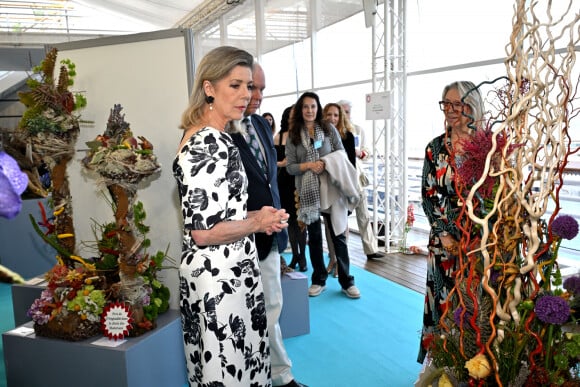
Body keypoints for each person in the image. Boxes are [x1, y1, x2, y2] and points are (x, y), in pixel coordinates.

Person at [173, 46, 289, 386]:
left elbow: (218, 211)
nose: (245, 95)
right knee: (228, 371)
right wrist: (256, 223)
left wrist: (255, 213)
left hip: (232, 272)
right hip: (219, 281)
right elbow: (204, 232)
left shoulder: (218, 136)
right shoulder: (206, 143)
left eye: (249, 86)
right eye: (235, 85)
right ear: (209, 88)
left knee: (240, 366)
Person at [227, 63, 307, 387]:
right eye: (250, 88)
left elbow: (268, 177)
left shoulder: (260, 124)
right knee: (247, 315)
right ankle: (270, 376)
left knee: (272, 305)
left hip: (271, 234)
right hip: (235, 239)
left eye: (260, 88)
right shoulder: (218, 133)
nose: (257, 96)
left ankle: (279, 376)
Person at [417, 81, 484, 364]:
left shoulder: (487, 146)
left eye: (458, 104)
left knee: (477, 303)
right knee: (443, 304)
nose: (451, 110)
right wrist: (444, 234)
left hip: (480, 241)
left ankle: (476, 365)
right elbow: (428, 194)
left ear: (472, 106)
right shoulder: (435, 148)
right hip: (444, 243)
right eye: (447, 103)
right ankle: (442, 366)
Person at [286, 91, 361, 299]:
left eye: (313, 106)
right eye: (305, 107)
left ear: (318, 109)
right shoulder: (293, 135)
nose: (309, 110)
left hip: (331, 189)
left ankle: (347, 280)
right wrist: (309, 165)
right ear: (300, 110)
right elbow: (290, 167)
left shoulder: (328, 129)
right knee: (315, 237)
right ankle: (319, 279)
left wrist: (325, 163)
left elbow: (342, 154)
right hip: (308, 191)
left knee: (338, 235)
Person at [338, 99, 386, 260]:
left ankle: (370, 248)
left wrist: (360, 153)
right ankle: (342, 251)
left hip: (357, 176)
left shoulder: (358, 130)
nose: (345, 115)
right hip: (341, 178)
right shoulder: (333, 132)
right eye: (342, 112)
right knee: (342, 216)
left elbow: (367, 151)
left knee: (363, 213)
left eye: (347, 112)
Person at [322, 102, 356, 277]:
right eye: (329, 115)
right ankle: (332, 258)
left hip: (341, 189)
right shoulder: (320, 137)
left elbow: (351, 165)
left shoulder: (347, 136)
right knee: (328, 227)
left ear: (341, 117)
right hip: (325, 188)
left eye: (335, 115)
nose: (332, 118)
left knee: (341, 226)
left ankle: (341, 263)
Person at [274, 105, 308, 272]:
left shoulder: (303, 135)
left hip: (300, 181)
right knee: (290, 221)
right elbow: (272, 162)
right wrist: (282, 163)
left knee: (301, 222)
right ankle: (295, 254)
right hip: (284, 182)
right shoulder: (278, 137)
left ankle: (303, 257)